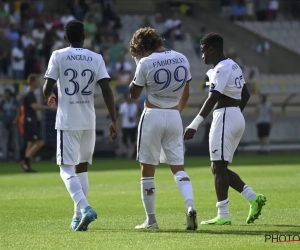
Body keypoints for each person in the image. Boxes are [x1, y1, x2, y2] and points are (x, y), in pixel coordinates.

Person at [184, 33, 266, 225]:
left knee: (218, 167)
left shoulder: (220, 69)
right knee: (219, 166)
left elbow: (212, 98)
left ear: (211, 49)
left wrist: (194, 124)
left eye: (203, 52)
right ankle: (253, 198)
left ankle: (224, 215)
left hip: (225, 116)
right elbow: (245, 94)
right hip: (235, 115)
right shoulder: (234, 65)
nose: (202, 56)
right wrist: (236, 113)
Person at [43, 20, 118, 231]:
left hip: (68, 121)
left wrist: (49, 95)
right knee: (81, 168)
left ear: (65, 38)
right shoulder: (96, 57)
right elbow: (106, 89)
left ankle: (84, 208)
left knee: (65, 169)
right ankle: (77, 218)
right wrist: (113, 119)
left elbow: (47, 86)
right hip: (88, 120)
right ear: (84, 36)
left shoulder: (58, 55)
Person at [129, 27, 197, 230]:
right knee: (178, 167)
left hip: (153, 115)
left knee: (147, 168)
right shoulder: (182, 58)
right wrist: (176, 111)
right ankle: (190, 205)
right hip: (174, 115)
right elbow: (186, 92)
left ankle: (151, 220)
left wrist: (137, 65)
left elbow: (133, 94)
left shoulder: (145, 62)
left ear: (142, 48)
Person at [22, 74, 56, 172]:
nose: (39, 82)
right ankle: (25, 161)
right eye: (37, 80)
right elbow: (34, 106)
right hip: (29, 121)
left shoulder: (29, 93)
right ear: (32, 81)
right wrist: (50, 107)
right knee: (40, 142)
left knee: (30, 144)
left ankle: (26, 165)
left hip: (28, 120)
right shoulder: (29, 93)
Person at [0, 89, 20, 162]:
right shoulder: (2, 102)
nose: (5, 95)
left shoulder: (14, 102)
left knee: (15, 141)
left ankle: (17, 157)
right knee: (4, 141)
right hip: (4, 123)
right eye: (5, 94)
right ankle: (5, 157)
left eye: (7, 94)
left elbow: (18, 112)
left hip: (13, 123)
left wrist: (15, 120)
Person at [119, 93, 138, 158]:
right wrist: (120, 125)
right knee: (124, 140)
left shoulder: (134, 106)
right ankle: (124, 153)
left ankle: (132, 153)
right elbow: (121, 116)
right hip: (125, 125)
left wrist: (137, 125)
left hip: (133, 125)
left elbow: (135, 116)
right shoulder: (123, 106)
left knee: (133, 140)